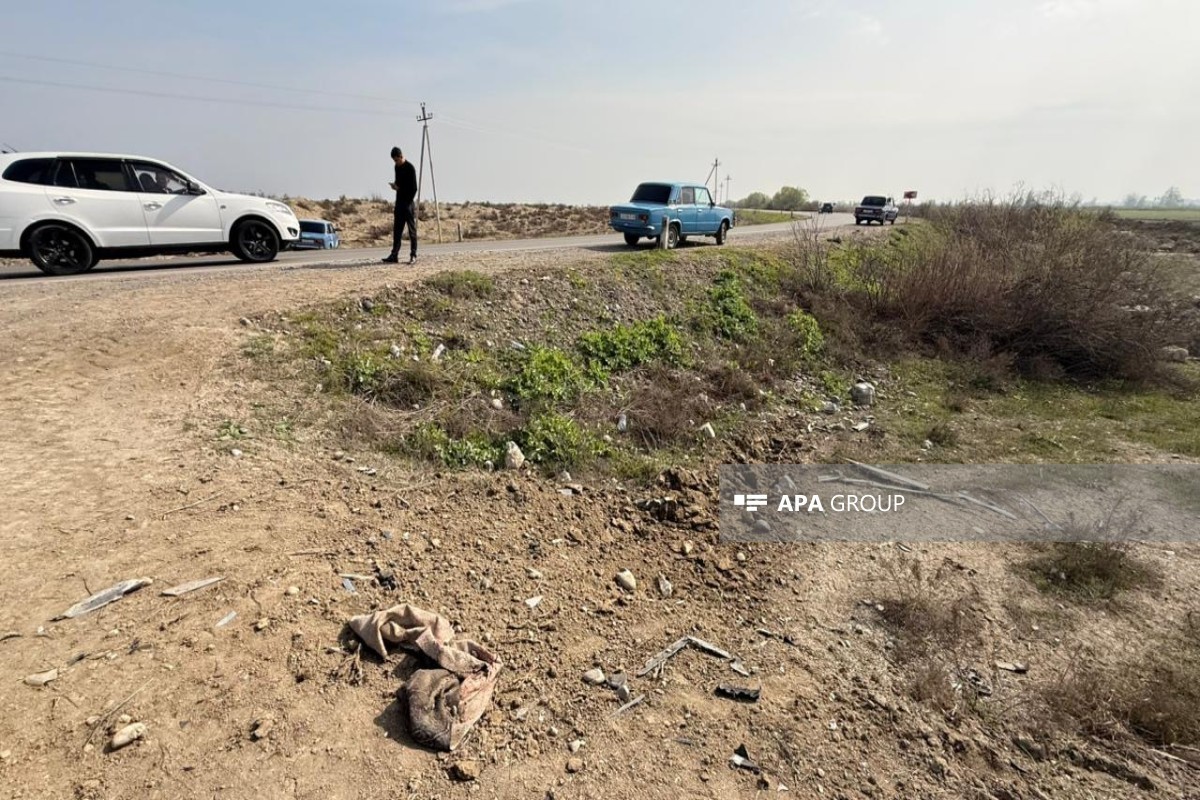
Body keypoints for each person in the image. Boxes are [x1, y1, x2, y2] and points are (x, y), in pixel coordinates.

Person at [382, 146, 418, 264]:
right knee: (397, 231)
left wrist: (400, 190)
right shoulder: (396, 167)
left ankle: (413, 255)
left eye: (397, 160)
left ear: (401, 156)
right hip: (399, 203)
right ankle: (394, 255)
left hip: (408, 204)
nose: (396, 163)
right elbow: (398, 183)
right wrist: (395, 186)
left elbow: (414, 189)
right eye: (394, 161)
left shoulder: (410, 168)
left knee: (412, 231)